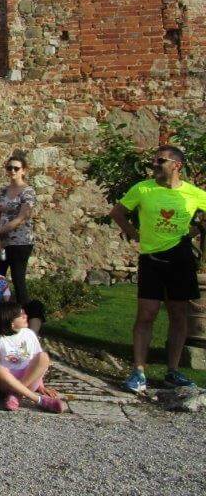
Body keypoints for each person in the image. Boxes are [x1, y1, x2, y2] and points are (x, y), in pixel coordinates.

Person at [110, 144, 206, 392]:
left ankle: (172, 371)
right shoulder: (143, 189)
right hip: (151, 260)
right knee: (146, 314)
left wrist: (196, 230)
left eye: (160, 161)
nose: (154, 165)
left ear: (177, 166)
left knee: (178, 315)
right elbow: (118, 212)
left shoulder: (193, 193)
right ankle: (139, 371)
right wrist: (133, 233)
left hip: (180, 258)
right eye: (154, 161)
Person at [0, 301, 64, 413]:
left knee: (43, 356)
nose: (25, 316)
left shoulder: (29, 334)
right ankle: (39, 400)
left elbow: (37, 360)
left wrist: (41, 385)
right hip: (7, 383)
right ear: (12, 323)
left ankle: (16, 394)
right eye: (21, 315)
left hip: (29, 379)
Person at [0, 153, 37, 304]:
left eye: (16, 168)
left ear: (24, 170)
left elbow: (21, 218)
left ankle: (25, 317)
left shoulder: (28, 191)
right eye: (9, 168)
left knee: (18, 279)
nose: (13, 171)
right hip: (2, 242)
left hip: (20, 242)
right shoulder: (2, 191)